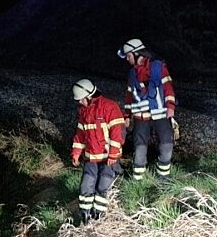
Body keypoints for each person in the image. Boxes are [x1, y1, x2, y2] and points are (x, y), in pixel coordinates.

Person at [118, 38, 177, 180]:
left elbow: (168, 87)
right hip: (140, 117)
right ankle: (138, 178)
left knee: (167, 143)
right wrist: (127, 115)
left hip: (160, 114)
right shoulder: (132, 73)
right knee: (140, 147)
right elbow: (129, 95)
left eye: (128, 56)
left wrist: (170, 106)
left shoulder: (158, 67)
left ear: (137, 53)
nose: (127, 59)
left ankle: (163, 177)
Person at [70, 78, 126, 222]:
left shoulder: (109, 107)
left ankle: (98, 216)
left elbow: (118, 132)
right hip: (91, 156)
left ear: (89, 96)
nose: (79, 102)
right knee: (86, 185)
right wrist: (76, 153)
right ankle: (85, 215)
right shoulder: (84, 111)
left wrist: (113, 154)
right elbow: (80, 134)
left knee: (103, 185)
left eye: (81, 99)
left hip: (108, 157)